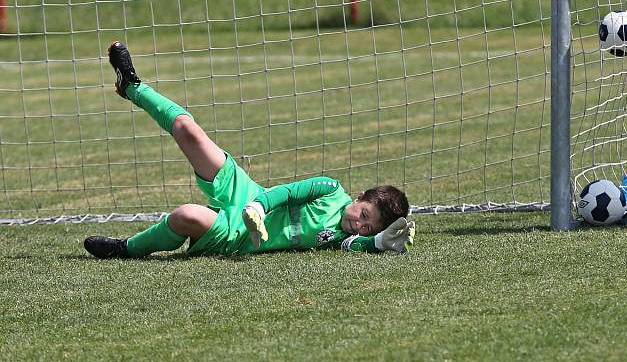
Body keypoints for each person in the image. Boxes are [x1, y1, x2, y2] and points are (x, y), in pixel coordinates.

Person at [84, 42, 415, 258]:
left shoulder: (337, 238)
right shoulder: (331, 190)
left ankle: (125, 248)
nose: (359, 225)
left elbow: (357, 244)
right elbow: (287, 192)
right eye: (364, 216)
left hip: (237, 236)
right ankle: (132, 86)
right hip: (249, 194)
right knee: (190, 132)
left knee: (185, 215)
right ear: (359, 198)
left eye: (368, 227)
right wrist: (257, 204)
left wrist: (380, 242)